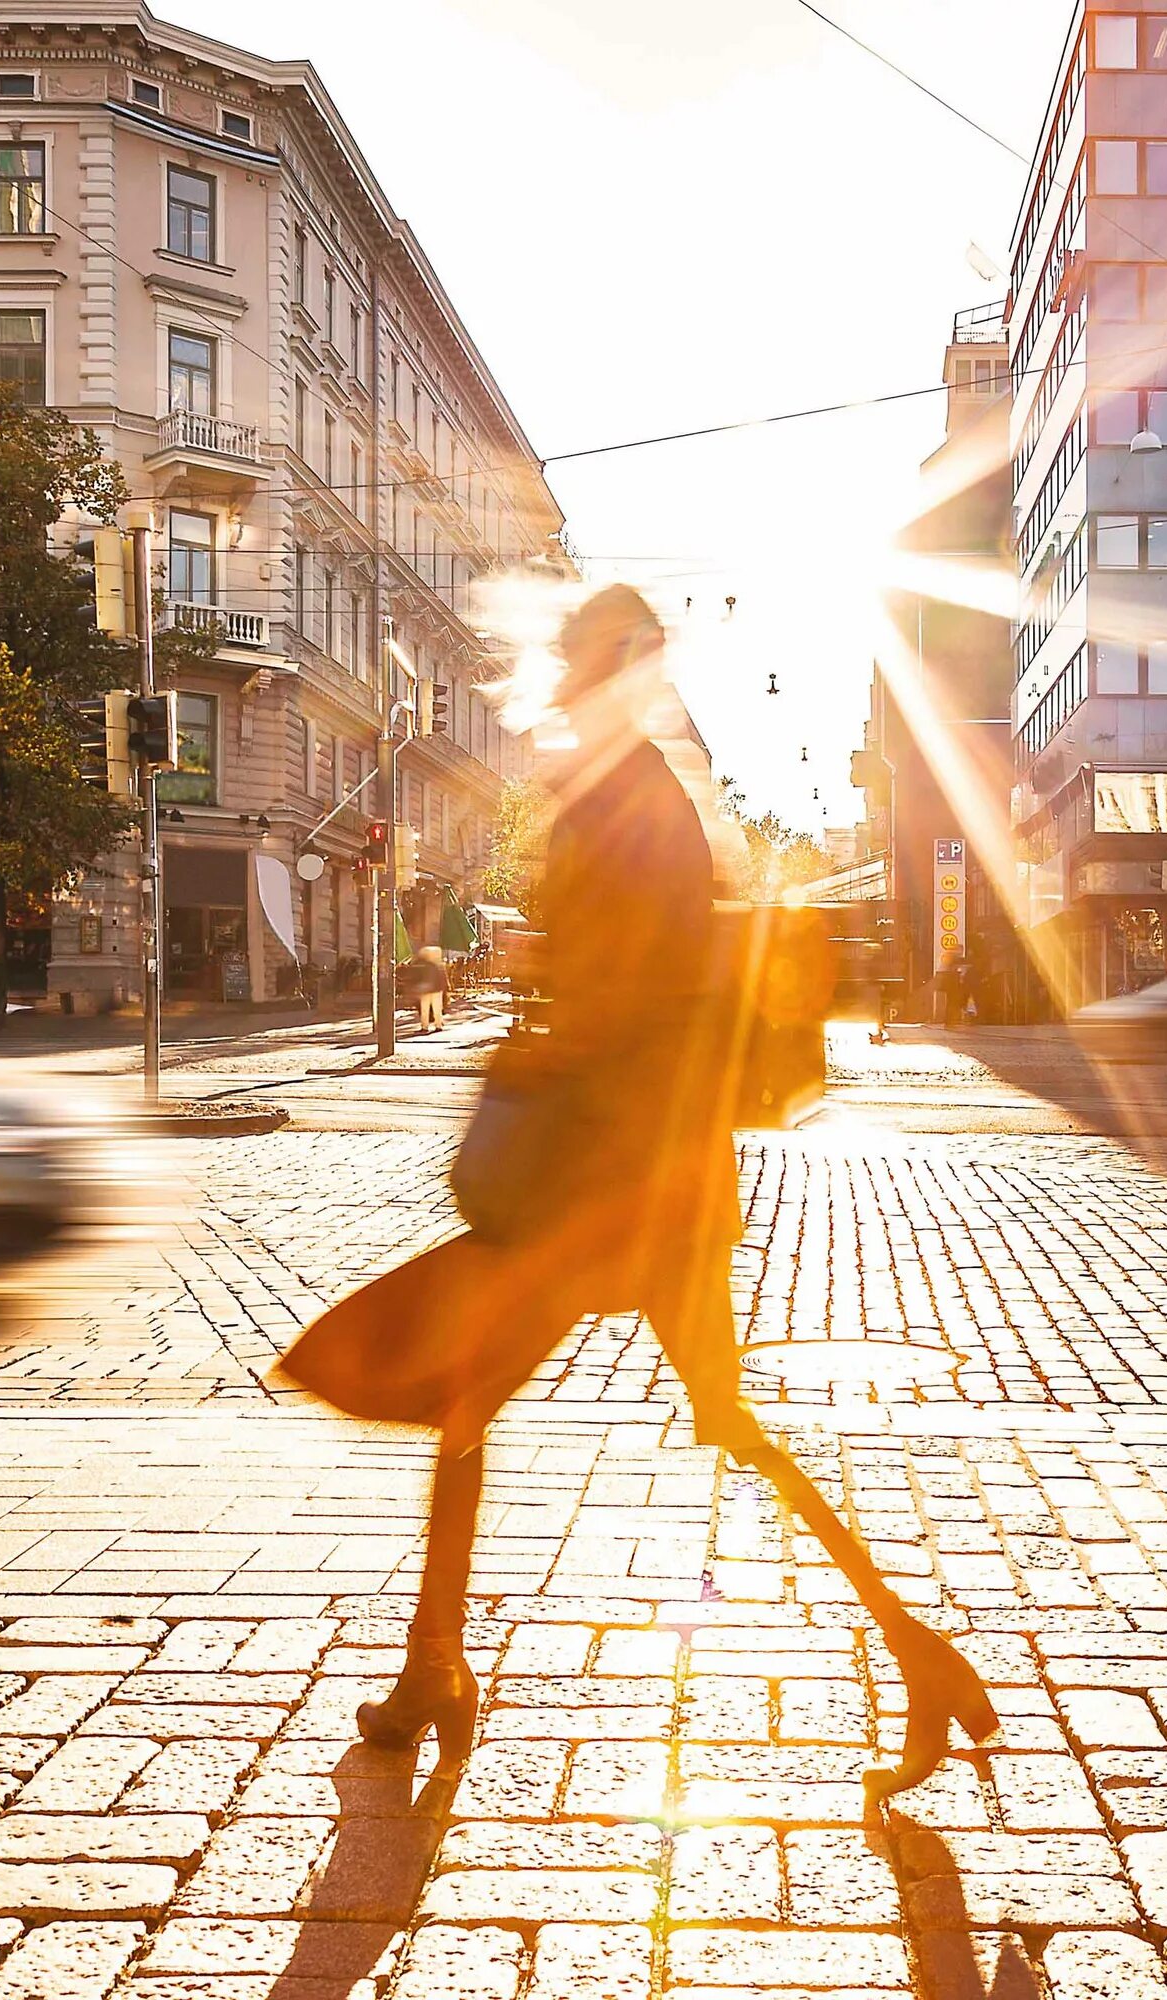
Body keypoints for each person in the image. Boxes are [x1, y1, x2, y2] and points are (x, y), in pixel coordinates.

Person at [280, 586, 995, 1797]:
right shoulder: (630, 794)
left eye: (584, 657)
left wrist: (549, 1019)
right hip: (638, 1169)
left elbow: (635, 994)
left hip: (617, 1179)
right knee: (509, 1399)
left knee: (481, 1391)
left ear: (630, 665)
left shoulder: (631, 801)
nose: (563, 676)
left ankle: (439, 1664)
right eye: (564, 655)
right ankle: (433, 1663)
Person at [411, 945, 449, 1031]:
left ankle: (425, 1026)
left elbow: (419, 977)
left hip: (426, 990)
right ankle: (438, 1025)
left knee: (425, 1008)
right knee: (437, 1008)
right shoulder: (438, 965)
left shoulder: (423, 965)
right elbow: (443, 978)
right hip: (436, 989)